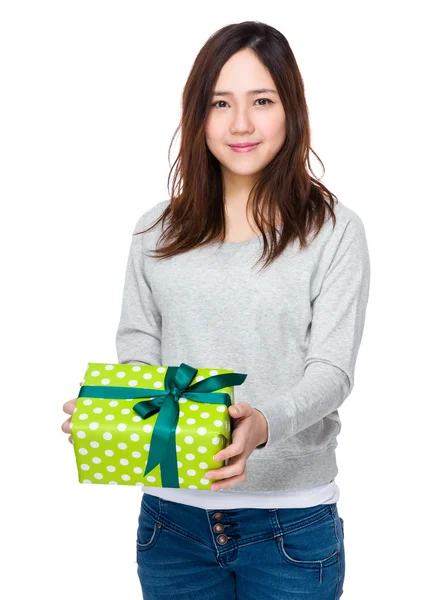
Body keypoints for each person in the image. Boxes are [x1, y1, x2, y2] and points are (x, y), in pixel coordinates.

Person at [62, 20, 370, 600]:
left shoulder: (334, 231)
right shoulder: (156, 229)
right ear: (197, 115)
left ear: (291, 109)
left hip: (290, 526)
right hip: (171, 524)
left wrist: (263, 425)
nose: (241, 124)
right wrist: (113, 410)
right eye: (220, 103)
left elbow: (332, 371)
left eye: (262, 100)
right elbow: (138, 344)